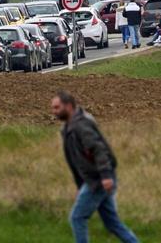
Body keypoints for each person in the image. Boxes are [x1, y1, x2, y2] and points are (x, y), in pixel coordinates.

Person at [52, 91, 139, 243]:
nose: (54, 111)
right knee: (112, 223)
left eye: (57, 107)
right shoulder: (68, 128)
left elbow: (98, 150)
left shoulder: (81, 125)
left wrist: (105, 176)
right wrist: (80, 185)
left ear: (69, 106)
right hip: (94, 179)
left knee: (77, 217)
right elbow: (77, 161)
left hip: (98, 179)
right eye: (53, 108)